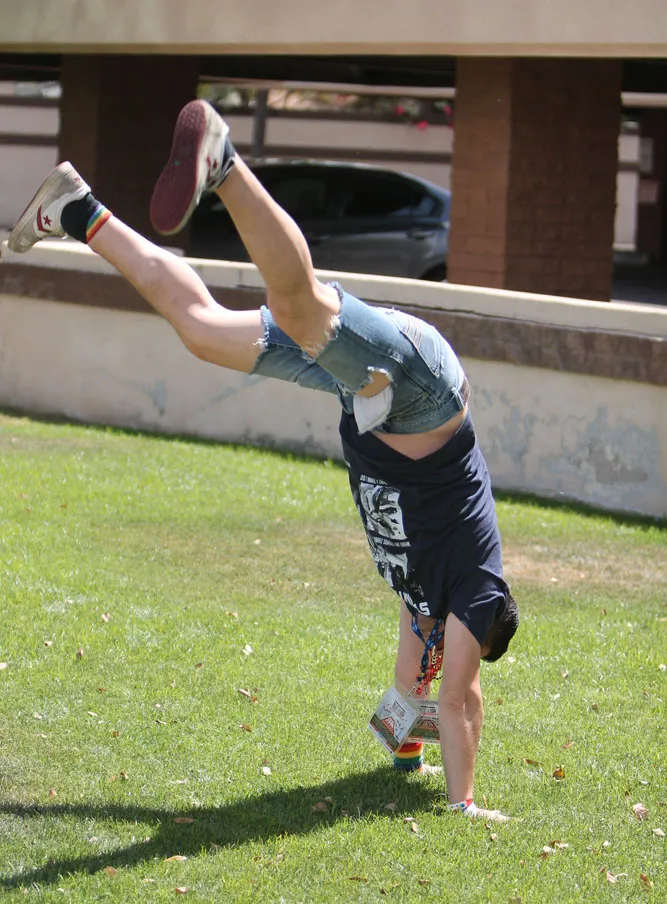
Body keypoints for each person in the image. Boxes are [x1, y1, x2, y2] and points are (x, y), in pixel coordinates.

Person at [8, 99, 519, 821]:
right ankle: (225, 164)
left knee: (204, 331)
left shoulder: (422, 605)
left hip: (368, 397)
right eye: (468, 645)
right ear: (486, 629)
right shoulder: (480, 591)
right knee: (303, 307)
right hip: (420, 393)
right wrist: (462, 804)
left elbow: (414, 689)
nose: (452, 649)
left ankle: (76, 211)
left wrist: (406, 756)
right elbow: (462, 696)